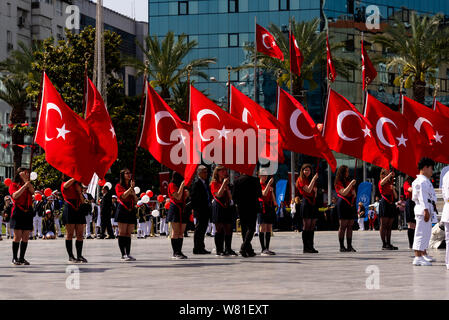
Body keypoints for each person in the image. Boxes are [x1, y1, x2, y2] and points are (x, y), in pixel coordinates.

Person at [412, 157, 437, 266]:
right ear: (425, 168)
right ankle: (417, 257)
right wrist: (425, 210)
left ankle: (422, 254)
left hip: (427, 208)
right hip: (423, 209)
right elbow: (422, 197)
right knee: (420, 233)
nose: (432, 171)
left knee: (426, 233)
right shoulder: (421, 181)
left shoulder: (425, 180)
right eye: (431, 168)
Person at [233, 170, 262, 258]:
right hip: (252, 207)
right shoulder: (255, 180)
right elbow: (259, 194)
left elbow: (234, 196)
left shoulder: (236, 181)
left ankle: (248, 250)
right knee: (251, 228)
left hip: (241, 207)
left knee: (244, 229)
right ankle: (244, 248)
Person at [9, 167, 34, 265]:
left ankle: (22, 258)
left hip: (27, 211)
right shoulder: (14, 184)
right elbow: (15, 196)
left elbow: (32, 191)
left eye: (28, 173)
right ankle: (15, 258)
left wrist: (27, 183)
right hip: (18, 211)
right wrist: (24, 186)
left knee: (26, 236)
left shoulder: (28, 184)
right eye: (25, 173)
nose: (27, 174)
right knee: (17, 236)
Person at [210, 166, 237, 257]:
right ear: (217, 172)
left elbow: (230, 196)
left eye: (225, 170)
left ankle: (228, 249)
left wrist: (227, 188)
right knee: (219, 228)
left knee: (228, 228)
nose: (225, 172)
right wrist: (223, 184)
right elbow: (218, 194)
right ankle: (219, 249)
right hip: (218, 206)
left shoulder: (226, 183)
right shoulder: (214, 183)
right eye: (222, 171)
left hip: (226, 206)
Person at [61, 175, 88, 263]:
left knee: (80, 234)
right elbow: (65, 186)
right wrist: (75, 177)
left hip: (79, 207)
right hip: (69, 208)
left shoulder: (78, 185)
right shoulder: (65, 183)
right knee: (70, 234)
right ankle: (71, 256)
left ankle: (79, 255)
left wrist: (79, 192)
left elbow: (83, 200)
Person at [115, 168, 139, 261]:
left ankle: (128, 253)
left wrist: (134, 194)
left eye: (130, 173)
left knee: (129, 233)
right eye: (127, 173)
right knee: (122, 232)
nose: (129, 175)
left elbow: (136, 200)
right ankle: (123, 254)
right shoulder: (118, 186)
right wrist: (130, 188)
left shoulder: (131, 186)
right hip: (123, 210)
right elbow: (123, 196)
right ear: (122, 175)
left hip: (131, 210)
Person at [296, 164, 319, 253]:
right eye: (305, 170)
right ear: (302, 171)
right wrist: (314, 179)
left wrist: (316, 191)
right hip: (306, 203)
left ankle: (311, 246)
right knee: (307, 225)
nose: (307, 172)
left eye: (308, 170)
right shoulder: (300, 180)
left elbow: (314, 193)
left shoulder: (310, 179)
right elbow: (308, 190)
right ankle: (305, 247)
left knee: (312, 225)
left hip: (313, 203)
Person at [190, 165, 212, 254]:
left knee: (203, 229)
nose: (206, 174)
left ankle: (201, 247)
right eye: (204, 172)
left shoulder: (205, 182)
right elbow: (194, 197)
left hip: (206, 209)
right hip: (200, 210)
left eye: (206, 172)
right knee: (199, 229)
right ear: (199, 173)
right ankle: (197, 247)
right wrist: (196, 209)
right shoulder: (196, 183)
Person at [334, 165, 357, 252]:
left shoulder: (348, 180)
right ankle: (341, 246)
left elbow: (352, 192)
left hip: (350, 203)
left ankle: (349, 245)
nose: (348, 173)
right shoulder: (338, 182)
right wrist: (351, 184)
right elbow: (343, 192)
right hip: (343, 203)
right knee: (343, 225)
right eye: (346, 171)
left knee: (350, 225)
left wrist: (354, 193)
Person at [167, 172, 189, 259]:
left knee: (181, 232)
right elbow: (178, 197)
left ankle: (179, 251)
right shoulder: (172, 185)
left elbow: (183, 198)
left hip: (182, 208)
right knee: (175, 232)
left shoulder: (182, 186)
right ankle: (175, 252)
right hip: (175, 209)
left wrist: (186, 194)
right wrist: (182, 186)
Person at [378, 169, 398, 250]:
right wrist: (389, 175)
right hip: (384, 202)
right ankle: (384, 244)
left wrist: (393, 189)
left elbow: (396, 197)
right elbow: (382, 182)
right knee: (383, 225)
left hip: (391, 203)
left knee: (389, 226)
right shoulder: (381, 182)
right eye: (385, 174)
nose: (386, 175)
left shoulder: (390, 183)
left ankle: (388, 243)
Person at [404, 176, 416, 249]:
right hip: (410, 202)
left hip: (416, 202)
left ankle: (416, 243)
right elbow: (410, 189)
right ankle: (411, 244)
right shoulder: (406, 183)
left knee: (416, 224)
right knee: (410, 224)